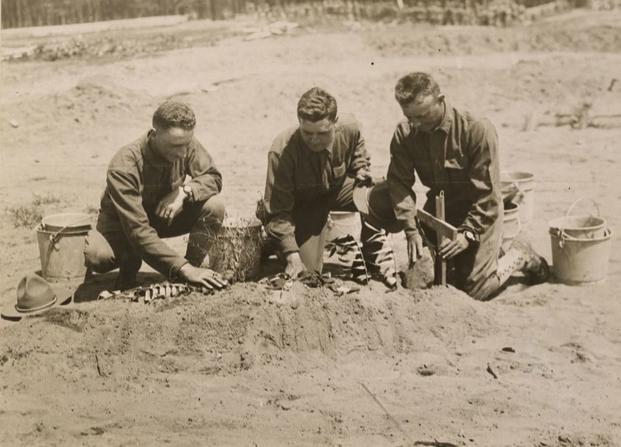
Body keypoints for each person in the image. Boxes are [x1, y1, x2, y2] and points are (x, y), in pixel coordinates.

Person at [358, 72, 549, 300]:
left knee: (475, 290)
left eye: (423, 115)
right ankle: (485, 257)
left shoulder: (476, 129)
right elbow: (399, 183)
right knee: (432, 280)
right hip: (441, 211)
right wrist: (411, 230)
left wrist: (467, 234)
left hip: (479, 212)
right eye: (411, 117)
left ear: (441, 99)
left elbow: (488, 195)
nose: (417, 124)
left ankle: (520, 254)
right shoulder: (405, 132)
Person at [257, 87, 397, 286]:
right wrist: (291, 255)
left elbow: (357, 142)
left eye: (322, 133)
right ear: (299, 123)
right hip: (302, 207)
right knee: (309, 275)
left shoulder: (349, 127)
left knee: (388, 196)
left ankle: (370, 254)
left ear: (335, 122)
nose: (314, 140)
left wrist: (360, 166)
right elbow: (278, 212)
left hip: (337, 191)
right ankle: (271, 242)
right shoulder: (282, 151)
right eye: (307, 133)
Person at [84, 100, 228, 291]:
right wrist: (182, 268)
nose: (183, 152)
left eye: (187, 144)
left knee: (214, 206)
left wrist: (185, 191)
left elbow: (213, 178)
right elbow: (138, 230)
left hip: (162, 217)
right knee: (98, 256)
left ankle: (191, 268)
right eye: (176, 146)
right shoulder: (124, 165)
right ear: (154, 135)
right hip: (124, 225)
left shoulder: (184, 143)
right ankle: (133, 267)